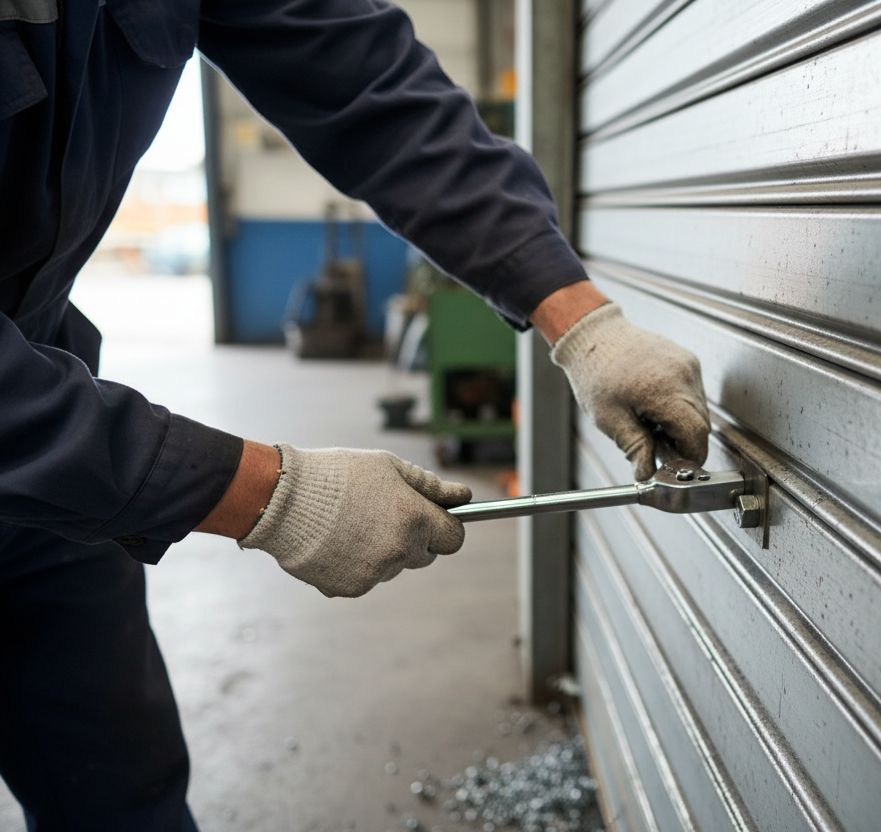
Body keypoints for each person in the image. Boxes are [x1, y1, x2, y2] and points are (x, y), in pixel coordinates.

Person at [0, 0, 711, 827]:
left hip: (59, 477)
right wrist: (267, 491)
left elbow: (372, 85)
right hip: (46, 430)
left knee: (124, 794)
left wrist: (581, 321)